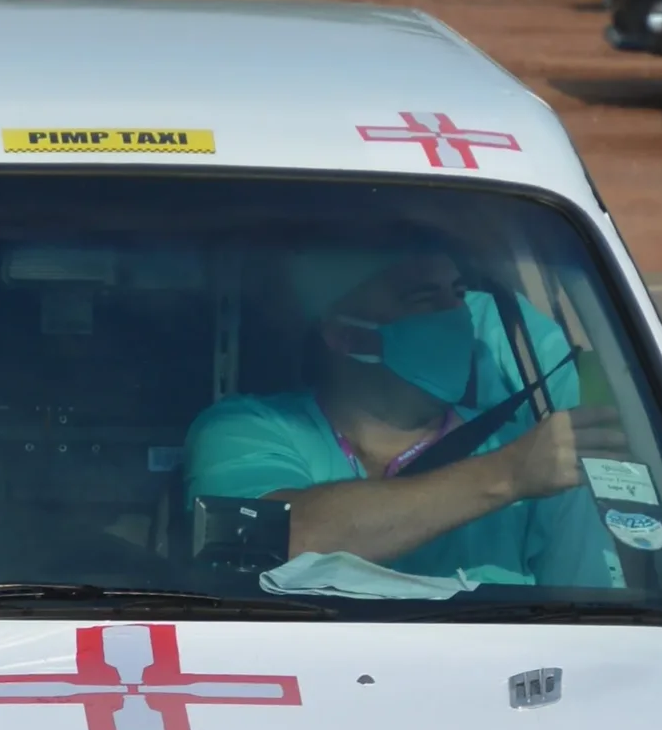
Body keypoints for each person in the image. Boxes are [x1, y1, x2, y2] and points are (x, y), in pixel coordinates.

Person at [184, 247, 618, 586]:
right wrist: (508, 476)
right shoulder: (241, 430)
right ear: (345, 335)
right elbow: (273, 539)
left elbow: (596, 618)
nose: (456, 315)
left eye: (458, 293)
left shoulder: (534, 451)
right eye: (424, 298)